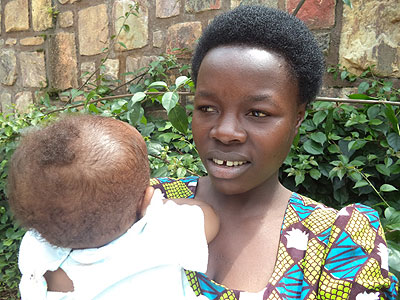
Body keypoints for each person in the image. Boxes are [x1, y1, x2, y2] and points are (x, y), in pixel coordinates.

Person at [151, 5, 399, 300]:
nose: (225, 132)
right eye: (207, 108)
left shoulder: (335, 243)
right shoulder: (149, 204)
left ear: (298, 118)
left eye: (257, 112)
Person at [7, 114, 219, 299]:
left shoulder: (34, 249)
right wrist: (160, 206)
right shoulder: (160, 233)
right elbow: (210, 219)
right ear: (145, 199)